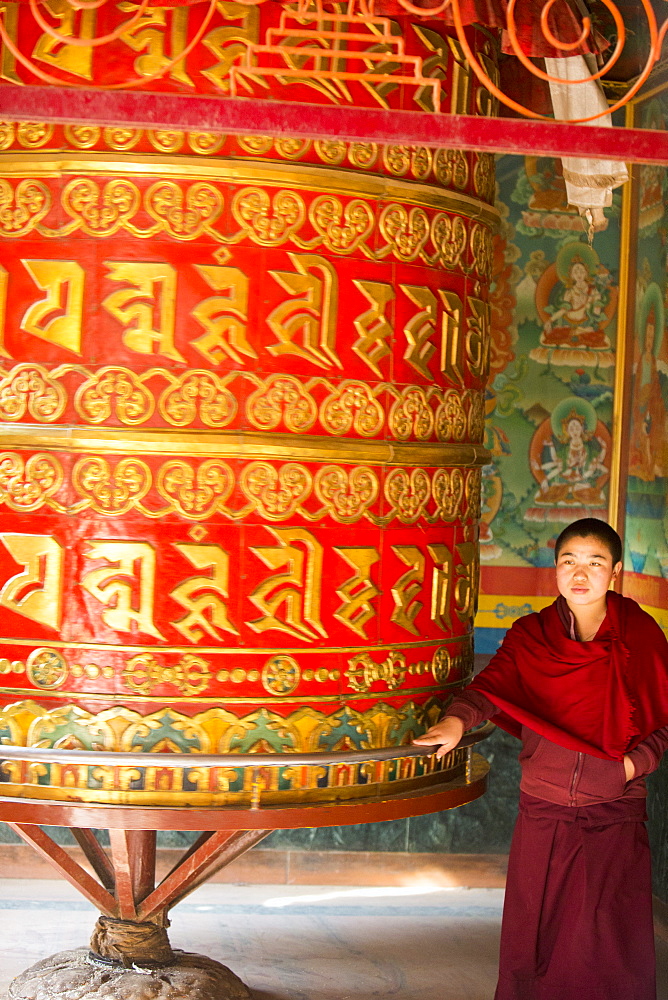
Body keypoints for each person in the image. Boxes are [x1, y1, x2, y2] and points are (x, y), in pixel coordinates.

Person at [414, 517, 668, 1000]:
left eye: (594, 563)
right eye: (569, 561)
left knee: (605, 935)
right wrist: (456, 720)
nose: (580, 573)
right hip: (543, 804)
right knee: (536, 931)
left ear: (614, 572)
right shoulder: (533, 635)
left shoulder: (641, 634)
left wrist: (630, 768)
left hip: (611, 808)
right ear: (555, 569)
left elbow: (663, 717)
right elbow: (490, 687)